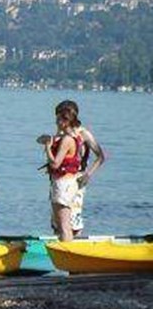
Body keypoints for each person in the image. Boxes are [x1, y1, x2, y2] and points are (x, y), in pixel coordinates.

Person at [53, 100, 105, 237]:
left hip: (77, 179)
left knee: (73, 216)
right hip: (60, 178)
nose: (57, 121)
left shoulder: (83, 134)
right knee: (58, 219)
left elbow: (100, 156)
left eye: (60, 117)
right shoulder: (62, 133)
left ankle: (74, 245)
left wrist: (88, 174)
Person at [41, 104, 91, 242]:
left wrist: (47, 148)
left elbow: (55, 163)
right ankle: (67, 249)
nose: (56, 123)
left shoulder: (67, 140)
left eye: (58, 120)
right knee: (63, 223)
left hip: (63, 184)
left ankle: (68, 252)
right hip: (67, 183)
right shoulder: (73, 138)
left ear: (65, 121)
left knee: (63, 225)